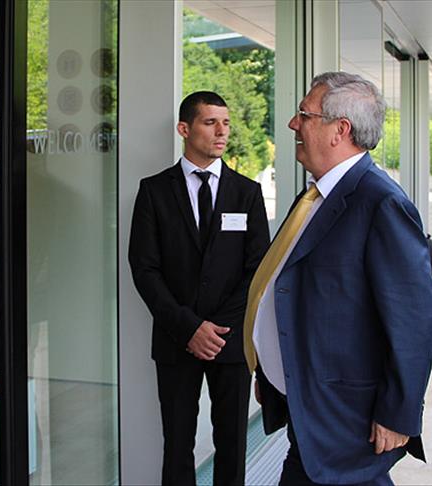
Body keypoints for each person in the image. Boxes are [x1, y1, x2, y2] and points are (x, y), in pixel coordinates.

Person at [243, 72, 432, 485]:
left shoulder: (380, 202)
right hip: (309, 407)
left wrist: (398, 413)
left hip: (346, 418)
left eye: (304, 115)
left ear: (340, 130)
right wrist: (271, 372)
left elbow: (414, 321)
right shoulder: (315, 195)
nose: (293, 124)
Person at [129, 91, 270, 486]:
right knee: (177, 444)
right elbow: (144, 269)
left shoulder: (247, 193)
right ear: (184, 129)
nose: (222, 131)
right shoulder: (154, 191)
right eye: (210, 122)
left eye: (226, 123)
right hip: (176, 339)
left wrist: (216, 329)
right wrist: (189, 328)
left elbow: (258, 270)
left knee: (232, 443)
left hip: (231, 340)